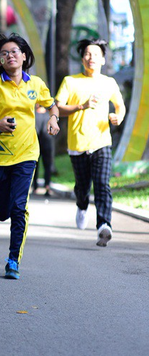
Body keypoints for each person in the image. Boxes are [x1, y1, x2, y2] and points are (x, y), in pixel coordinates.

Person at [0, 33, 59, 280]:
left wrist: (53, 118)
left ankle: (13, 259)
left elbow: (51, 104)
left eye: (14, 52)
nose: (9, 55)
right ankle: (1, 208)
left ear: (23, 56)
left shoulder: (36, 84)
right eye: (4, 53)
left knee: (19, 207)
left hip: (26, 153)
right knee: (2, 211)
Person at [55, 38, 125, 246]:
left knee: (102, 184)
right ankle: (82, 205)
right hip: (77, 144)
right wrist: (81, 106)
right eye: (87, 53)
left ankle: (104, 225)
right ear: (82, 58)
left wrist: (117, 117)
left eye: (95, 54)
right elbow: (58, 108)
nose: (91, 57)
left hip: (102, 141)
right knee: (83, 187)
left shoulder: (109, 82)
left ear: (103, 59)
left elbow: (119, 106)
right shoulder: (70, 81)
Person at [33, 103, 55, 197]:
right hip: (48, 144)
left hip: (36, 144)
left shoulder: (34, 115)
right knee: (47, 167)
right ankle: (47, 187)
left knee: (35, 166)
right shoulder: (49, 116)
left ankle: (35, 187)